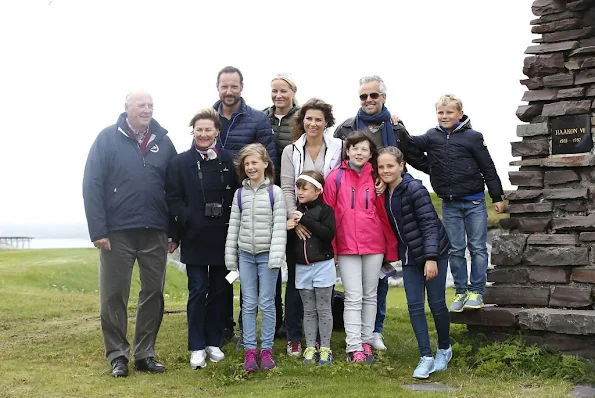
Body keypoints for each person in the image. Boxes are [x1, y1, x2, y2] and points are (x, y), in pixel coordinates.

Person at [82, 90, 177, 377]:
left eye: (150, 105)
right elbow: (92, 184)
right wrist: (98, 230)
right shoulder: (107, 139)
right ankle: (117, 356)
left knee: (153, 294)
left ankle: (145, 354)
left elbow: (173, 190)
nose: (146, 110)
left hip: (155, 231)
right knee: (114, 295)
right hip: (116, 232)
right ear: (126, 108)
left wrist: (174, 232)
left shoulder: (164, 141)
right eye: (141, 105)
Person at [333, 75, 428, 351]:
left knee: (381, 274)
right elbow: (337, 163)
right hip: (357, 199)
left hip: (388, 199)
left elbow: (411, 156)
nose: (368, 101)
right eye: (363, 96)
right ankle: (358, 333)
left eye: (373, 95)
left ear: (383, 97)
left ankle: (375, 329)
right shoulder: (345, 128)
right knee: (357, 285)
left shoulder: (396, 127)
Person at [407, 94, 505, 312]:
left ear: (460, 114)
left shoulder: (473, 137)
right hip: (450, 205)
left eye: (449, 112)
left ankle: (477, 291)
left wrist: (497, 197)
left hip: (475, 202)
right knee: (456, 250)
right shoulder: (432, 136)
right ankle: (461, 291)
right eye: (440, 112)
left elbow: (488, 167)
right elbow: (409, 143)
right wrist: (397, 126)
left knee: (478, 247)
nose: (444, 116)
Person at [166, 108, 238, 369]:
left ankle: (213, 341)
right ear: (193, 132)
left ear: (217, 131)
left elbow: (238, 197)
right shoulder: (179, 163)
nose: (204, 134)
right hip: (195, 236)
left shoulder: (231, 161)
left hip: (223, 236)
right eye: (199, 129)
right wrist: (188, 218)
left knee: (220, 291)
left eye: (209, 129)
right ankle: (196, 345)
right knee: (198, 291)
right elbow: (172, 198)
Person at [214, 66, 279, 345]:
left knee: (258, 276)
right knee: (226, 267)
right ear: (218, 87)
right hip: (218, 201)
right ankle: (225, 325)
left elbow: (269, 154)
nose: (229, 92)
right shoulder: (210, 116)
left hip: (251, 197)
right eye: (224, 86)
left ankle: (255, 334)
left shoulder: (256, 120)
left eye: (234, 86)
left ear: (242, 87)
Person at [322, 132, 397, 365]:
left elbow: (385, 214)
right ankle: (353, 346)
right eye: (355, 148)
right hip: (346, 245)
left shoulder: (377, 178)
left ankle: (366, 341)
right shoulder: (335, 177)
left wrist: (389, 248)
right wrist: (332, 247)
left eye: (364, 149)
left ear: (370, 153)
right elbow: (328, 214)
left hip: (374, 245)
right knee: (353, 296)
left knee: (370, 296)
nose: (359, 153)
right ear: (347, 151)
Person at [377, 146, 451, 379]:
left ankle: (444, 349)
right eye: (381, 167)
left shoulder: (414, 188)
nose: (386, 170)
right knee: (415, 306)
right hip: (409, 257)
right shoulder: (385, 192)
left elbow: (429, 223)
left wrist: (431, 258)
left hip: (434, 252)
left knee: (437, 304)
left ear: (401, 165)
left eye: (390, 166)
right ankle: (426, 357)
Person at [280, 98, 343, 357]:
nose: (313, 123)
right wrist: (294, 219)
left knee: (322, 289)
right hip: (297, 222)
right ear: (301, 120)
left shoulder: (338, 147)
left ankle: (321, 341)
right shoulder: (290, 151)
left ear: (326, 121)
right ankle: (295, 337)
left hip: (326, 221)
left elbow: (340, 182)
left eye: (318, 119)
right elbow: (286, 188)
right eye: (308, 118)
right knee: (297, 286)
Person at [225, 143, 287, 372]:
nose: (250, 167)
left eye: (254, 162)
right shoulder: (239, 194)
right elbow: (234, 227)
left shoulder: (275, 193)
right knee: (248, 303)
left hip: (267, 256)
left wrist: (275, 258)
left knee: (267, 303)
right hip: (245, 255)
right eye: (247, 163)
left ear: (265, 164)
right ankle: (250, 351)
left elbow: (280, 227)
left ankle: (267, 350)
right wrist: (231, 259)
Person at [263, 72, 300, 339]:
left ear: (292, 92)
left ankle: (291, 322)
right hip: (266, 197)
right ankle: (273, 320)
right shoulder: (261, 117)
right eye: (274, 91)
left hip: (294, 194)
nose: (278, 96)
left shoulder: (302, 117)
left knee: (294, 262)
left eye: (283, 91)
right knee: (271, 261)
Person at [288, 170, 336, 366]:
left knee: (323, 309)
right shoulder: (295, 214)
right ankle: (310, 347)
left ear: (318, 191)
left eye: (304, 188)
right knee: (308, 310)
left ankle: (325, 347)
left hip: (323, 266)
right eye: (298, 188)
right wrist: (288, 227)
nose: (300, 192)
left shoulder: (325, 211)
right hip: (302, 268)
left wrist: (305, 220)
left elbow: (328, 234)